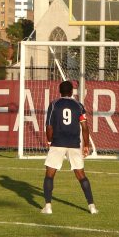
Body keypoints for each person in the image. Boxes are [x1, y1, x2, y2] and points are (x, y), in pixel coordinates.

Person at [42, 80, 97, 215]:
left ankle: (48, 207)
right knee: (81, 175)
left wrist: (49, 141)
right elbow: (85, 127)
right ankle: (92, 206)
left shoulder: (54, 104)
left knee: (49, 174)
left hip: (58, 143)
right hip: (74, 144)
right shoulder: (79, 105)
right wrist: (86, 145)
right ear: (72, 92)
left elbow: (49, 126)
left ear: (59, 91)